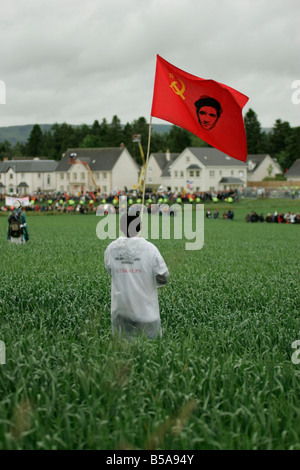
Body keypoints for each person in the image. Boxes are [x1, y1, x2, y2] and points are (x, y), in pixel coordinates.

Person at [104, 213, 169, 341]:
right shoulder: (150, 249)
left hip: (121, 312)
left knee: (121, 351)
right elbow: (163, 276)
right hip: (147, 313)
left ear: (121, 228)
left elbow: (110, 269)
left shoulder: (111, 249)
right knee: (150, 354)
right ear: (141, 227)